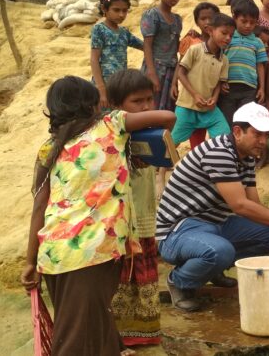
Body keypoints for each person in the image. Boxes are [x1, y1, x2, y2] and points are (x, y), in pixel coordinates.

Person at [20, 76, 175, 355]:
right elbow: (167, 116)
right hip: (92, 252)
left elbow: (38, 208)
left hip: (53, 253)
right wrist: (136, 143)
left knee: (95, 326)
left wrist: (30, 261)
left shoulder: (51, 145)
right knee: (75, 341)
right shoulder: (111, 124)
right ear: (93, 104)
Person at [156, 102, 269, 312]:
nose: (263, 142)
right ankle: (179, 281)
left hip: (214, 224)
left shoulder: (245, 156)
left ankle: (212, 270)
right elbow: (240, 206)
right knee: (221, 251)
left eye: (266, 135)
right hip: (177, 232)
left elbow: (254, 204)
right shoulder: (219, 152)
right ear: (237, 131)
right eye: (257, 134)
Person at [105, 70, 163, 349]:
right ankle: (117, 337)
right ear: (116, 106)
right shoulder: (112, 133)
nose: (146, 107)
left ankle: (142, 333)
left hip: (143, 216)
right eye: (137, 102)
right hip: (121, 223)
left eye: (149, 100)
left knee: (141, 276)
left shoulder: (149, 135)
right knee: (120, 279)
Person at [172, 13, 235, 148]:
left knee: (224, 138)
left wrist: (215, 98)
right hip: (186, 106)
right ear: (210, 31)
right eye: (224, 33)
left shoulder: (224, 60)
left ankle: (220, 167)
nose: (228, 38)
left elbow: (219, 82)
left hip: (208, 109)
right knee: (172, 142)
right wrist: (195, 94)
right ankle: (160, 169)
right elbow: (180, 73)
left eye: (231, 35)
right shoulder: (195, 50)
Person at [174, 2, 221, 144]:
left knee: (208, 124)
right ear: (196, 22)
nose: (207, 22)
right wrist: (174, 84)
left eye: (211, 19)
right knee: (192, 125)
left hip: (210, 94)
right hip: (190, 94)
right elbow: (181, 65)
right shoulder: (191, 41)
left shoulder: (221, 43)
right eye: (203, 19)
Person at [218, 0, 269, 125]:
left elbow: (260, 66)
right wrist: (221, 81)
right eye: (244, 21)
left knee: (244, 122)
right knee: (227, 122)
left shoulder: (257, 42)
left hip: (249, 89)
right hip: (228, 87)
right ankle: (229, 144)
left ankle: (241, 145)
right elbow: (219, 60)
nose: (248, 25)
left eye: (252, 23)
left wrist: (262, 88)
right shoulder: (227, 38)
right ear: (234, 18)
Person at [90, 0, 144, 110]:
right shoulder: (99, 30)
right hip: (104, 85)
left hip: (119, 85)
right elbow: (94, 60)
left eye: (125, 11)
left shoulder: (124, 32)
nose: (121, 14)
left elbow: (144, 46)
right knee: (104, 120)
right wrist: (101, 90)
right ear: (104, 9)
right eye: (116, 10)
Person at [141, 0, 184, 111]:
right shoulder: (152, 15)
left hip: (171, 71)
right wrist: (151, 73)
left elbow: (175, 45)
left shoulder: (177, 19)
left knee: (168, 107)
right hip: (155, 68)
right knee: (152, 106)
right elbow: (147, 46)